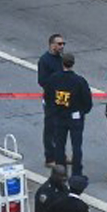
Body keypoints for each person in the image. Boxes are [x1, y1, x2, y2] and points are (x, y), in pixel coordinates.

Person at [47, 53, 93, 176]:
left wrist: (54, 110)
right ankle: (76, 173)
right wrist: (82, 112)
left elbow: (48, 97)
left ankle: (60, 172)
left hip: (59, 116)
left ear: (62, 63)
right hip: (75, 117)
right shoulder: (79, 81)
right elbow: (87, 101)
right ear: (73, 64)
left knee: (59, 145)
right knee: (76, 146)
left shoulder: (54, 78)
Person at [38, 34, 66, 167]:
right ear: (52, 45)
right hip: (51, 100)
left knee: (61, 129)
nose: (62, 46)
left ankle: (61, 155)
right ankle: (50, 158)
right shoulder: (44, 60)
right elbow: (42, 81)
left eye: (63, 44)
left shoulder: (61, 59)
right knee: (50, 129)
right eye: (59, 44)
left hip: (62, 98)